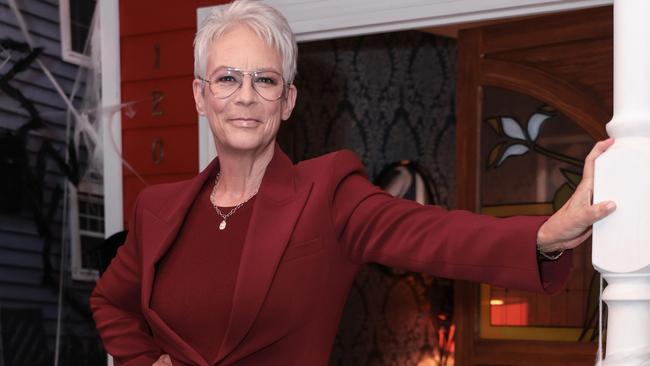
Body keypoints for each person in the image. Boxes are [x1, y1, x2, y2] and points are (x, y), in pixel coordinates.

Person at [90, 1, 616, 365]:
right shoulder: (157, 208)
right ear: (201, 96)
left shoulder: (329, 192)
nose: (246, 96)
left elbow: (435, 235)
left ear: (288, 100)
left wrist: (548, 233)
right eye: (227, 78)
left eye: (265, 79)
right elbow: (110, 302)